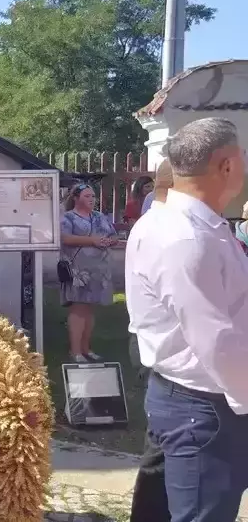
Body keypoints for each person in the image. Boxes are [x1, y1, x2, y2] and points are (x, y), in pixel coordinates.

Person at [127, 118, 248, 522]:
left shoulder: (188, 224)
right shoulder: (186, 237)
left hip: (185, 397)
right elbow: (216, 341)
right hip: (207, 406)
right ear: (227, 166)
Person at [126, 159, 173, 522]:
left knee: (159, 447)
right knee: (160, 448)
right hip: (160, 346)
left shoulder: (157, 224)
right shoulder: (164, 228)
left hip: (155, 342)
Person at [60, 183, 118, 363]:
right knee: (78, 309)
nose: (92, 199)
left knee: (90, 310)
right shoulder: (68, 218)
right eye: (87, 196)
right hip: (77, 270)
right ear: (76, 198)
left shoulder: (99, 216)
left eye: (93, 196)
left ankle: (86, 348)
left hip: (98, 269)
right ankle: (75, 350)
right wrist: (92, 240)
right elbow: (65, 238)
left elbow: (113, 235)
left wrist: (109, 242)